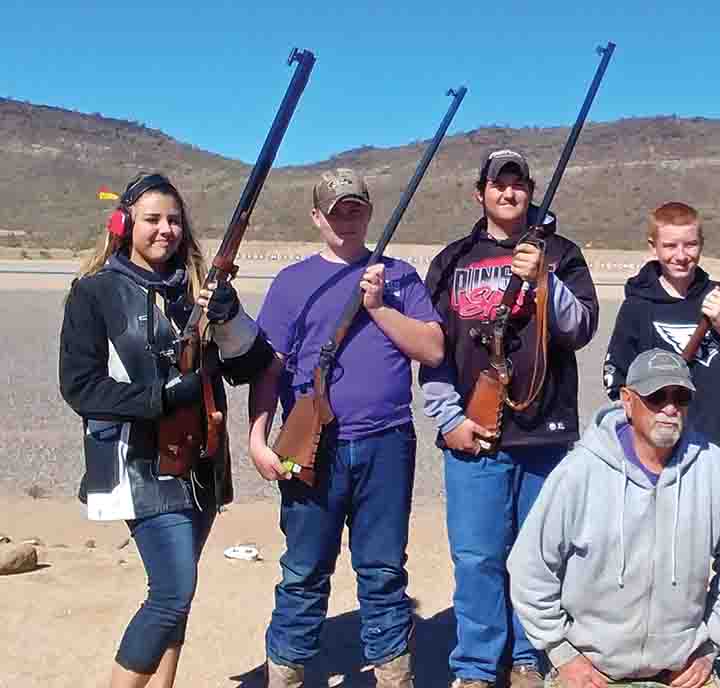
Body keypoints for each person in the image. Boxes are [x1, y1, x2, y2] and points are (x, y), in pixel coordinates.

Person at [59, 172, 274, 688]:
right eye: (152, 219)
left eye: (174, 220)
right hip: (136, 464)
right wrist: (158, 397)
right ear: (124, 223)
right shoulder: (94, 292)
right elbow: (81, 388)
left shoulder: (199, 291)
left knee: (179, 594)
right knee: (173, 590)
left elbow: (253, 365)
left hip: (199, 464)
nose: (165, 230)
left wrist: (230, 317)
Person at [247, 168, 444, 688]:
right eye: (336, 209)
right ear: (317, 216)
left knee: (382, 572)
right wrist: (256, 439)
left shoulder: (399, 277)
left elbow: (432, 348)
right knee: (304, 573)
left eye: (355, 207)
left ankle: (393, 676)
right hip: (312, 448)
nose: (347, 217)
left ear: (369, 212)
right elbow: (269, 370)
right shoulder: (291, 283)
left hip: (388, 443)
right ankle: (286, 676)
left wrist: (378, 308)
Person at [420, 149, 599, 688]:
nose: (508, 193)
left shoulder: (561, 253)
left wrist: (546, 279)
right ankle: (475, 666)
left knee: (539, 557)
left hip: (542, 433)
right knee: (477, 558)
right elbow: (434, 350)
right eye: (498, 184)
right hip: (473, 435)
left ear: (529, 192)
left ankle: (529, 657)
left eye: (518, 184)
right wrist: (448, 418)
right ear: (481, 194)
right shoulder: (452, 260)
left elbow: (581, 327)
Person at [509, 348, 720, 688]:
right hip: (591, 671)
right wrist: (561, 651)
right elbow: (529, 569)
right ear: (627, 400)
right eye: (656, 397)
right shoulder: (580, 472)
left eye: (680, 397)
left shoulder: (716, 472)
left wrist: (711, 645)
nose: (670, 408)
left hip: (682, 671)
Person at [602, 201, 720, 687]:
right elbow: (617, 381)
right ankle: (671, 665)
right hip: (664, 462)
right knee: (670, 567)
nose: (681, 254)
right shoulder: (638, 305)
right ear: (653, 247)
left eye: (690, 244)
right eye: (671, 245)